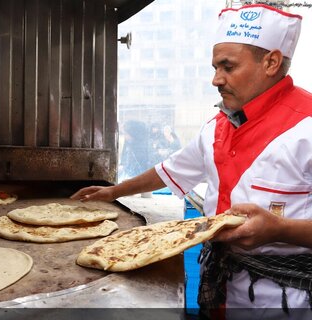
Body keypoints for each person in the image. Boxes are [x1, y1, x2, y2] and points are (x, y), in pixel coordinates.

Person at [71, 4, 312, 318]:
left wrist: (279, 229)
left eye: (227, 67)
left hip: (285, 303)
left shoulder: (305, 126)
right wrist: (112, 192)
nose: (216, 79)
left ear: (271, 62)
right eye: (215, 67)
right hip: (220, 289)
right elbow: (169, 170)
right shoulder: (219, 126)